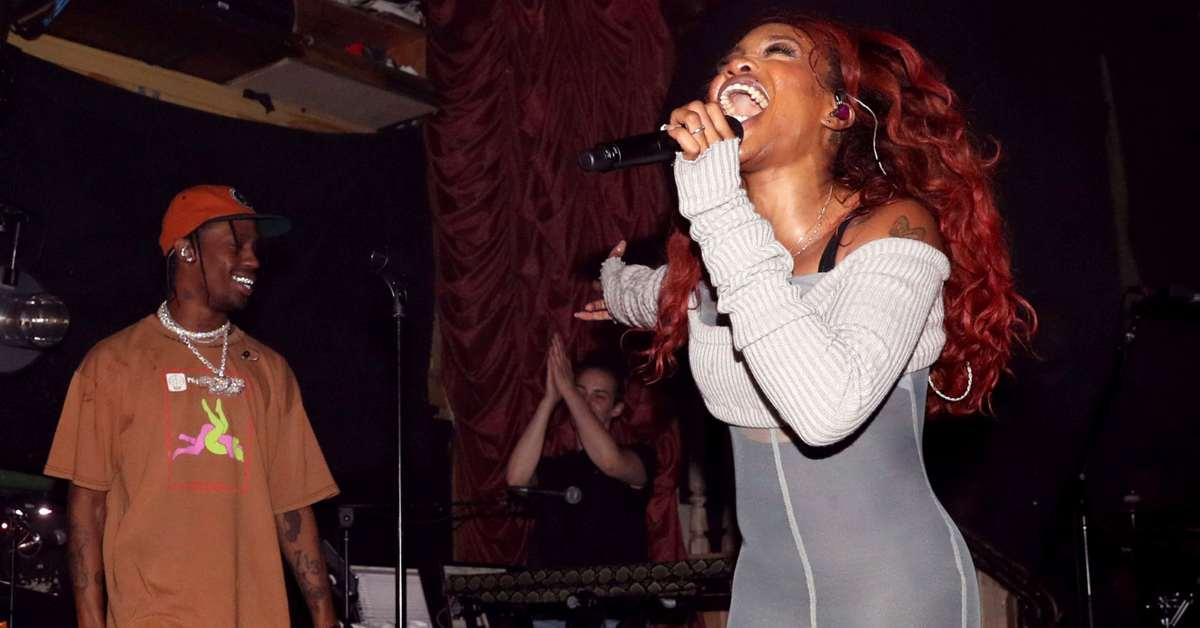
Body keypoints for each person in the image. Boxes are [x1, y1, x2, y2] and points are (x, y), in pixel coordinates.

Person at [575, 14, 1035, 627]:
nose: (735, 65)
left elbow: (825, 411)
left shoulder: (892, 231)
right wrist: (613, 282)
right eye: (728, 60)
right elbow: (657, 293)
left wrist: (716, 208)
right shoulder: (722, 267)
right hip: (767, 595)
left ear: (836, 111)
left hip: (891, 592)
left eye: (778, 51)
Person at [44, 185, 341, 628]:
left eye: (255, 248)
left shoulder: (269, 370)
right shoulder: (113, 363)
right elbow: (88, 508)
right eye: (236, 244)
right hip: (153, 616)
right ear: (186, 250)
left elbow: (293, 507)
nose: (252, 260)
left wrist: (325, 619)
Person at [505, 334, 653, 628]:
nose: (584, 401)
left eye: (599, 396)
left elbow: (610, 462)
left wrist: (570, 393)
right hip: (552, 614)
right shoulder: (557, 467)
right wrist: (550, 399)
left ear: (617, 408)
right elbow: (516, 479)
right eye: (580, 391)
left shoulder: (638, 456)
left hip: (613, 615)